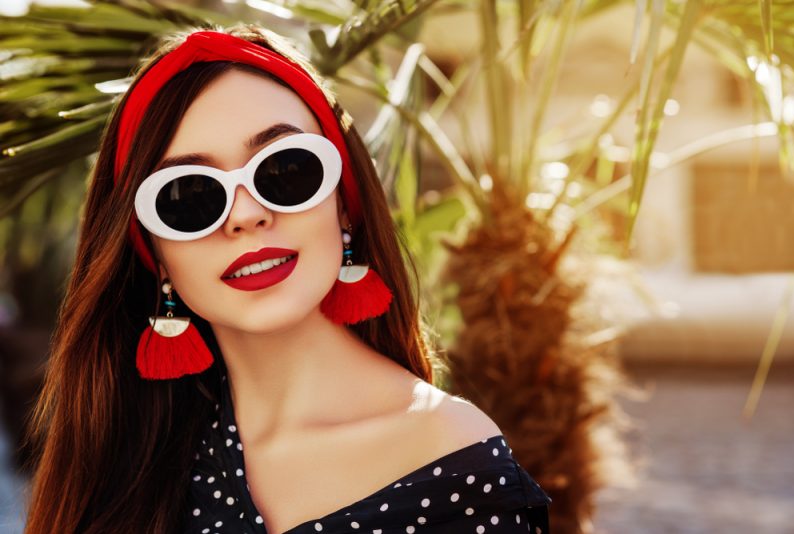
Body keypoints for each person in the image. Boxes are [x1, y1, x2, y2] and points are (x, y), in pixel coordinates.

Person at [21, 23, 550, 534]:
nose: (245, 215)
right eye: (189, 197)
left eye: (286, 170)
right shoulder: (125, 466)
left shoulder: (451, 456)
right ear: (155, 254)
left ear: (344, 204)